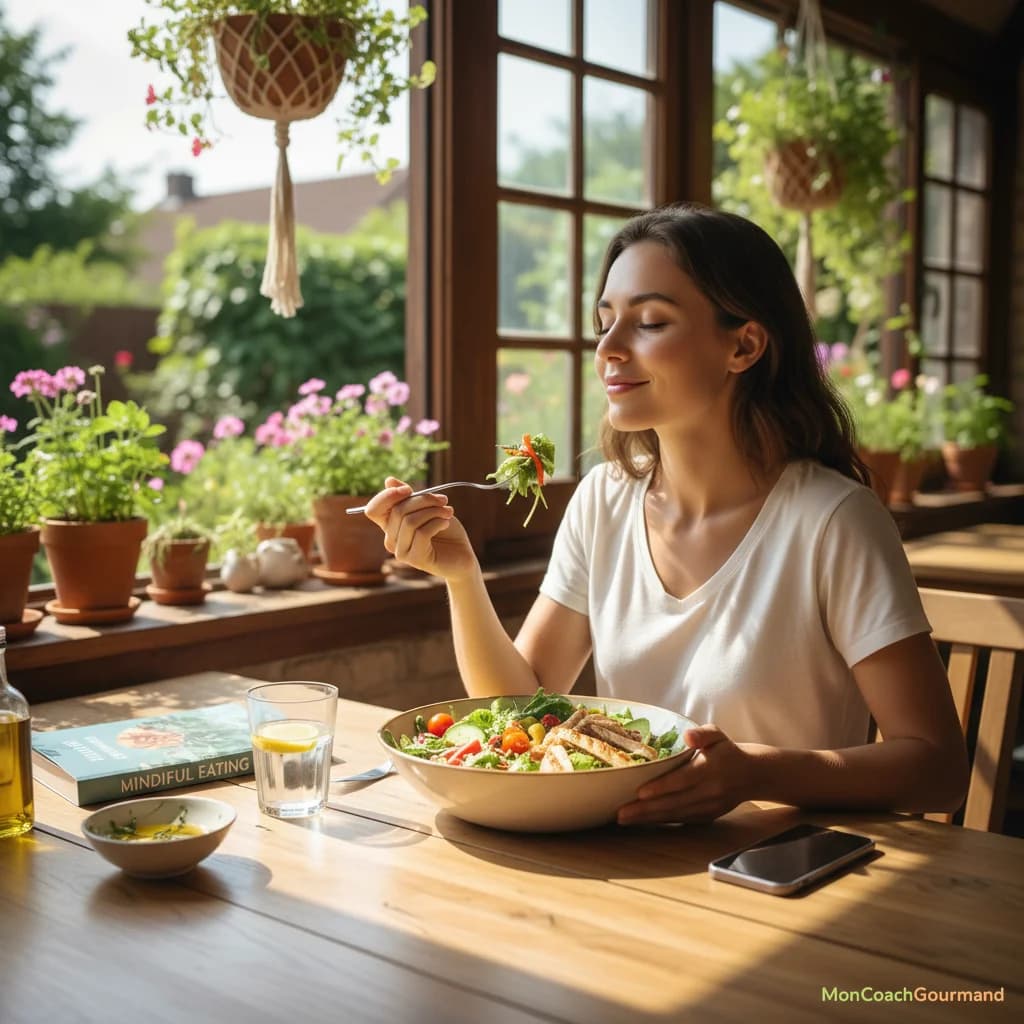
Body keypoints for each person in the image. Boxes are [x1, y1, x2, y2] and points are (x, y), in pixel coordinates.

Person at [365, 203, 969, 826]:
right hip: (626, 862)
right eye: (604, 323)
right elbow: (521, 709)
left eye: (649, 322)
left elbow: (939, 772)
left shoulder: (833, 521)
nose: (608, 349)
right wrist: (461, 578)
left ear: (744, 345)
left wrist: (757, 773)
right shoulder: (603, 501)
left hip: (776, 876)